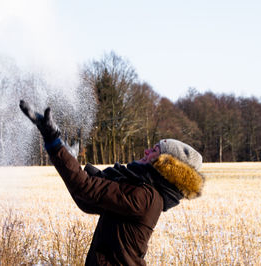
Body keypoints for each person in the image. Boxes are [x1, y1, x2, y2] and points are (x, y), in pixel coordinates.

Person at [19, 100, 205, 265]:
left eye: (154, 150)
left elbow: (86, 188)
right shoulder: (143, 190)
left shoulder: (145, 197)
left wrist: (54, 142)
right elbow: (87, 201)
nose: (147, 151)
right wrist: (66, 155)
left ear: (166, 165)